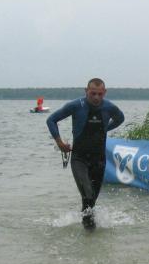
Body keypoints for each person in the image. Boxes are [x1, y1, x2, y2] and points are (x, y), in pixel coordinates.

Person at [46, 78, 125, 230]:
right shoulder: (76, 105)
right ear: (86, 91)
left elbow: (120, 119)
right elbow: (51, 120)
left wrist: (105, 128)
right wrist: (60, 143)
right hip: (79, 159)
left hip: (99, 160)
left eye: (100, 94)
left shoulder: (109, 107)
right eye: (92, 93)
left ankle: (88, 232)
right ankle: (90, 232)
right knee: (88, 195)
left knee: (91, 201)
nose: (96, 97)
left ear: (105, 92)